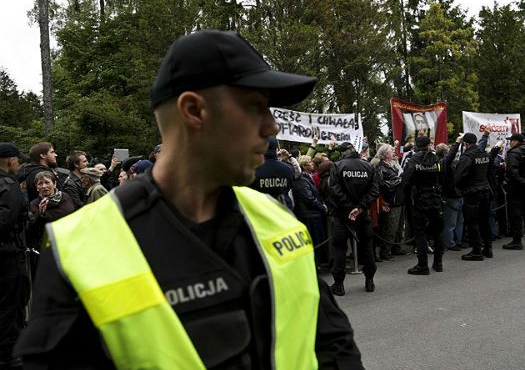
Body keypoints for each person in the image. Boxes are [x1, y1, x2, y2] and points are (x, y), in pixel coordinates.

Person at [15, 30, 364, 369]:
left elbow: (333, 344)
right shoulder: (79, 249)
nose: (271, 126)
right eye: (256, 106)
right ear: (194, 110)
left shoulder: (276, 219)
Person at [329, 142, 379, 295]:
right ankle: (369, 281)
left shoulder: (337, 166)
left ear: (343, 152)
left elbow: (334, 189)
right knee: (367, 247)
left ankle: (339, 285)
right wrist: (360, 207)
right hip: (362, 214)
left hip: (343, 214)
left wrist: (351, 208)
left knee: (340, 248)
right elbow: (375, 189)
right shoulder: (368, 166)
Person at [0, 143, 28, 369]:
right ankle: (10, 354)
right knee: (11, 304)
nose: (18, 164)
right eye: (17, 160)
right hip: (8, 254)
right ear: (10, 161)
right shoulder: (9, 185)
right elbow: (6, 221)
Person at [401, 136, 444, 274]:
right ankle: (438, 263)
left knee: (420, 233)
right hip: (434, 199)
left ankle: (422, 265)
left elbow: (406, 181)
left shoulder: (413, 160)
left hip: (419, 200)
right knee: (437, 233)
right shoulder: (436, 159)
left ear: (417, 146)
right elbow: (440, 176)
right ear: (428, 145)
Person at [454, 133, 500, 261]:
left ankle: (476, 251)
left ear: (466, 143)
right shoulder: (484, 154)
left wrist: (462, 187)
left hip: (472, 192)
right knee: (485, 221)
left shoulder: (467, 156)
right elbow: (490, 172)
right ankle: (488, 248)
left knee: (472, 222)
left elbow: (458, 177)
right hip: (484, 190)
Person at [28, 171, 75, 274]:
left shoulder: (65, 197)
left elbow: (71, 215)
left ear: (54, 184)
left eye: (47, 182)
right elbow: (33, 229)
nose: (44, 186)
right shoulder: (34, 204)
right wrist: (41, 214)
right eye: (40, 184)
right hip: (47, 249)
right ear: (37, 187)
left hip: (68, 245)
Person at [292, 155, 328, 268]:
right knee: (314, 241)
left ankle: (317, 264)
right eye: (310, 162)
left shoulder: (308, 177)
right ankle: (314, 266)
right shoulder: (301, 179)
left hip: (313, 213)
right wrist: (322, 206)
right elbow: (309, 197)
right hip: (309, 215)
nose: (312, 163)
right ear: (304, 165)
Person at [374, 143, 403, 261]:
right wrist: (400, 180)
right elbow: (385, 185)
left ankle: (396, 248)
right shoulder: (381, 168)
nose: (393, 153)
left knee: (399, 228)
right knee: (391, 228)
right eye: (391, 151)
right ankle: (385, 251)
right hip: (391, 201)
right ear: (386, 154)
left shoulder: (392, 165)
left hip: (399, 199)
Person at [249, 136, 294, 209]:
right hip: (283, 214)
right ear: (276, 149)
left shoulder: (252, 169)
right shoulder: (287, 169)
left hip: (259, 212)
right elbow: (289, 188)